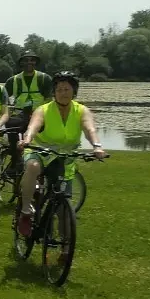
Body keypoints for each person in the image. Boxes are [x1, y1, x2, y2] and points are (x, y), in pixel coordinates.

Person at [17, 71, 106, 236]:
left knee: (64, 210)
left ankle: (65, 249)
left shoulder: (82, 110)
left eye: (67, 89)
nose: (63, 93)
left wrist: (97, 146)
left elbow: (89, 128)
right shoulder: (43, 109)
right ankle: (26, 211)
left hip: (65, 158)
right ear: (54, 92)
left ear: (74, 91)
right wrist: (27, 139)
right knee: (32, 166)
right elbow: (33, 126)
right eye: (59, 90)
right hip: (41, 151)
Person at [3, 50, 53, 169]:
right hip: (20, 113)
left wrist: (39, 112)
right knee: (11, 125)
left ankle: (47, 162)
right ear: (21, 63)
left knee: (47, 136)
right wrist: (6, 109)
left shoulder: (44, 78)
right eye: (26, 60)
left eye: (32, 60)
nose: (29, 62)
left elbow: (49, 99)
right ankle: (16, 161)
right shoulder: (13, 80)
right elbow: (3, 97)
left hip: (40, 113)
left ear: (36, 62)